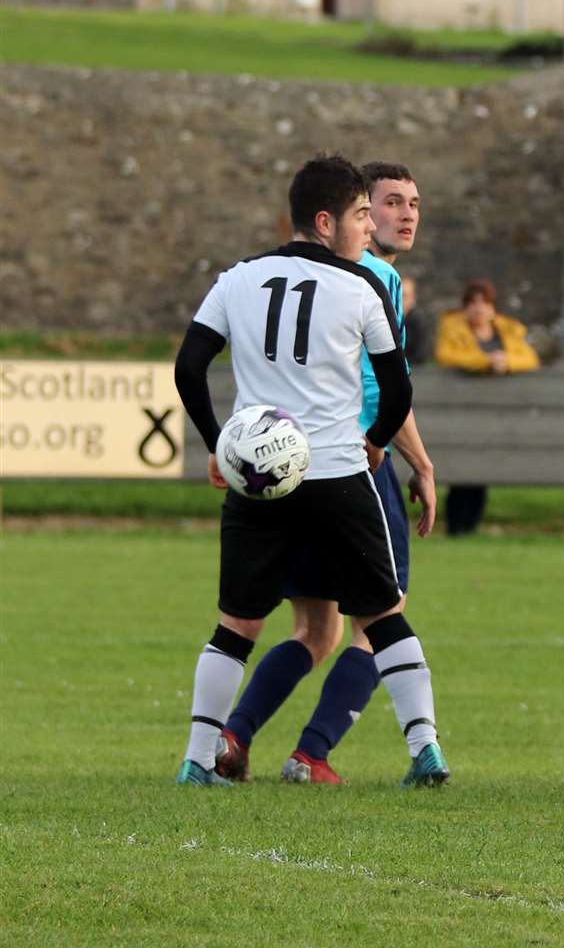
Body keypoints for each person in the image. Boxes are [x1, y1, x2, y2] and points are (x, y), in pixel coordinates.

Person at [171, 154, 449, 789]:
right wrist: (378, 441)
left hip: (257, 479)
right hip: (337, 473)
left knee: (237, 624)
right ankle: (425, 749)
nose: (367, 231)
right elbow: (396, 388)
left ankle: (196, 758)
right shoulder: (362, 288)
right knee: (382, 614)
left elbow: (190, 367)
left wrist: (221, 445)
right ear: (326, 222)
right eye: (360, 217)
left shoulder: (237, 278)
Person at [435, 279, 540, 535]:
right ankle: (456, 525)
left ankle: (471, 525)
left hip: (497, 409)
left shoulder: (508, 330)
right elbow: (446, 356)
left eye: (484, 303)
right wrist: (485, 361)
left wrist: (507, 362)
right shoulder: (452, 328)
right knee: (462, 470)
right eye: (473, 303)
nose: (479, 309)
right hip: (464, 408)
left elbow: (529, 358)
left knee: (484, 468)